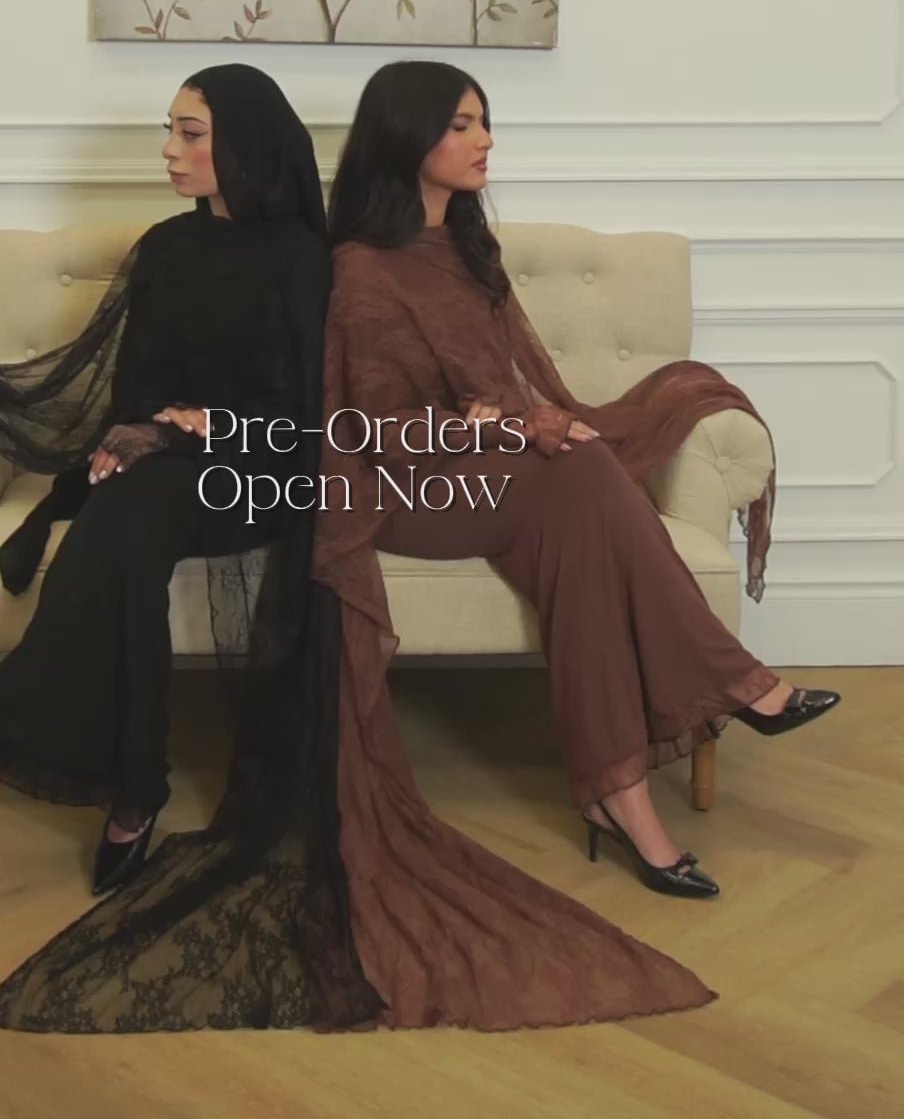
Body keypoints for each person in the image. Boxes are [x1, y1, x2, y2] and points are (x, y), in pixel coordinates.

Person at [309, 59, 840, 1030]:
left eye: (485, 121)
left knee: (583, 521)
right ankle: (735, 683)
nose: (485, 141)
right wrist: (512, 427)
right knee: (585, 468)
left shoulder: (467, 248)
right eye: (461, 124)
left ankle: (621, 797)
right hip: (407, 486)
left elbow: (511, 387)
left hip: (486, 466)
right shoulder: (362, 269)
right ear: (405, 135)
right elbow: (375, 431)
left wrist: (519, 422)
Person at [0, 64, 382, 1031]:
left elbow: (318, 413)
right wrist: (142, 430)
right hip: (171, 470)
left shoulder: (304, 260)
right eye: (169, 130)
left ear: (245, 143)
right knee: (122, 521)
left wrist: (208, 425)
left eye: (191, 133)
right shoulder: (165, 248)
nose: (170, 151)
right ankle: (133, 789)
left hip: (265, 472)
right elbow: (136, 383)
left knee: (125, 511)